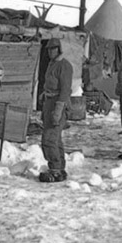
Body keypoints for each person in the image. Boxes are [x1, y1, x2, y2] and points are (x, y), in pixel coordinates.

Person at [39, 37, 74, 182]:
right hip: (49, 103)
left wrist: (58, 110)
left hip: (58, 103)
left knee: (49, 139)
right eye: (48, 49)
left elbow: (65, 90)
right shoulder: (51, 64)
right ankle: (59, 167)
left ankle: (55, 169)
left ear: (58, 49)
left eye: (52, 49)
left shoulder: (64, 66)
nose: (49, 52)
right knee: (56, 139)